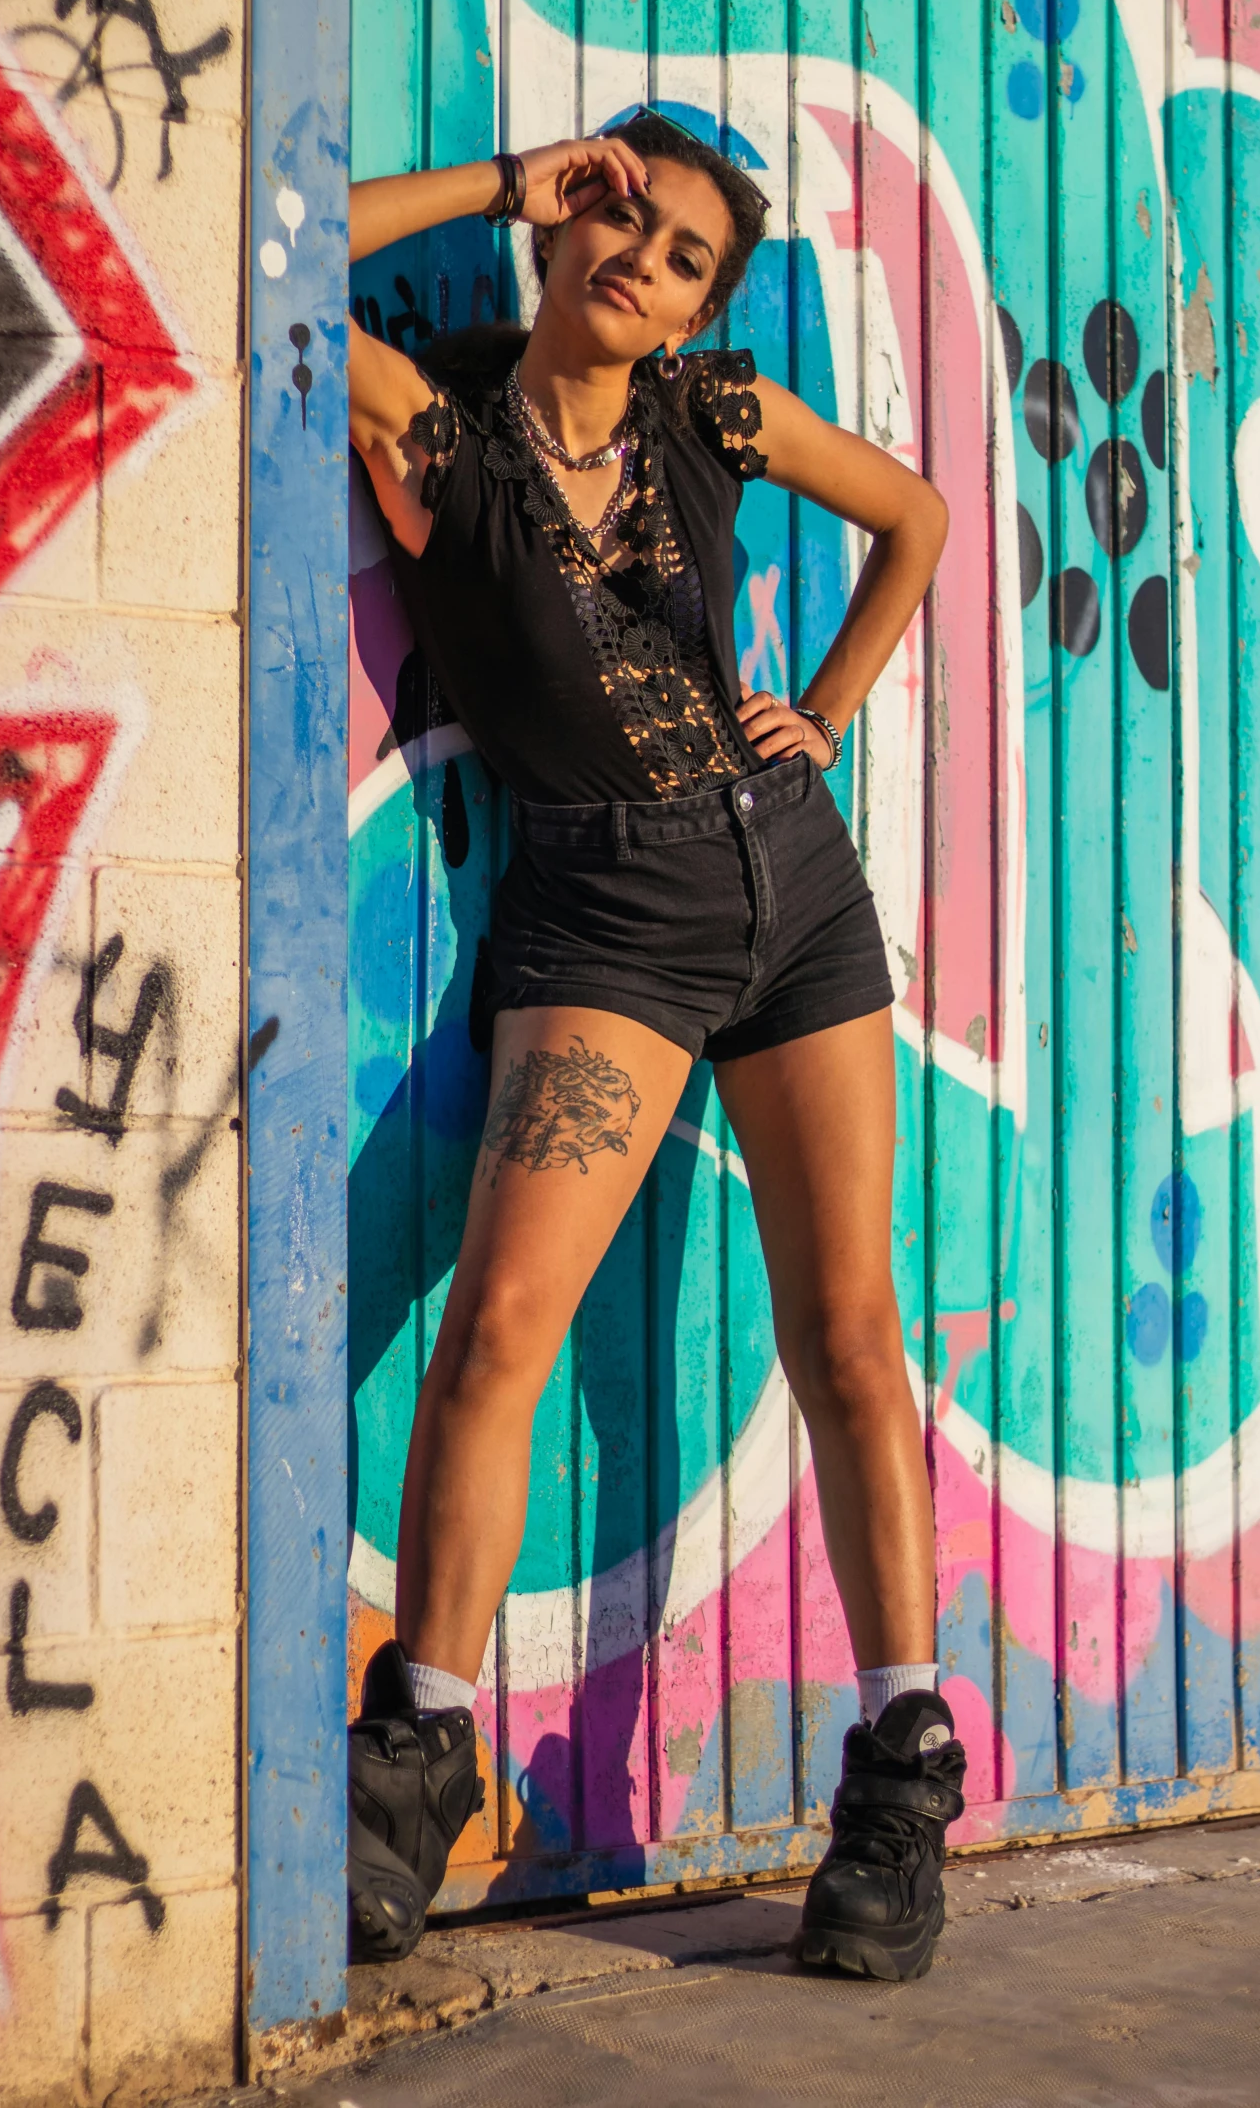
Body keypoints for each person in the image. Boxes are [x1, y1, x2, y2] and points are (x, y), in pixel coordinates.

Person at [344, 111, 961, 1982]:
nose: (645, 258)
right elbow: (260, 253)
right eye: (624, 214)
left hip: (793, 893)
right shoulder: (437, 445)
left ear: (704, 300)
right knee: (497, 1335)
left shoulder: (715, 416)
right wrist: (497, 180)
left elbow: (916, 519)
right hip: (603, 913)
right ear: (567, 227)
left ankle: (900, 1771)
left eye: (687, 250)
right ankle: (417, 1761)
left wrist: (831, 706)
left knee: (846, 1336)